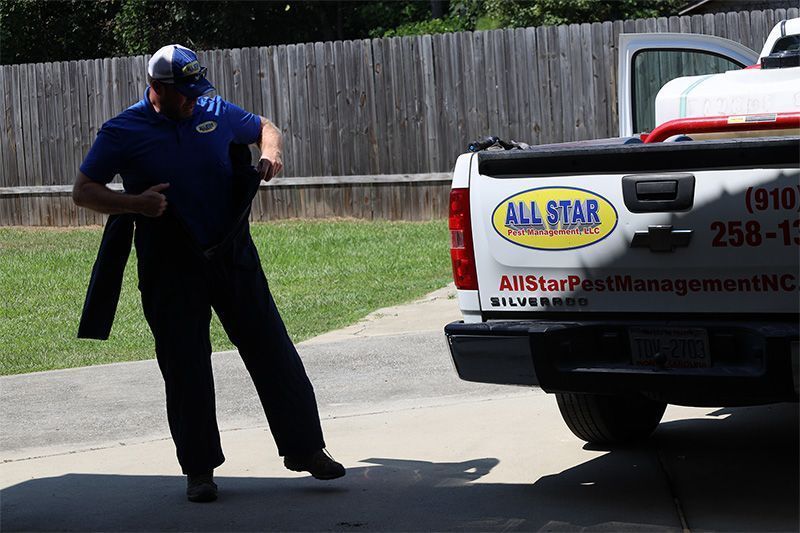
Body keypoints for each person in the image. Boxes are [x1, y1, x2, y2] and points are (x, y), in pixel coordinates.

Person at [72, 44, 345, 503]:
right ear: (157, 89)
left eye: (198, 90)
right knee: (185, 365)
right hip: (169, 261)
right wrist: (134, 204)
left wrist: (272, 152)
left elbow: (264, 127)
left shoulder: (213, 109)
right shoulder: (122, 131)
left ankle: (308, 451)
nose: (194, 100)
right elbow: (84, 191)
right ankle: (199, 470)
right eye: (185, 93)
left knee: (271, 348)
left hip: (231, 254)